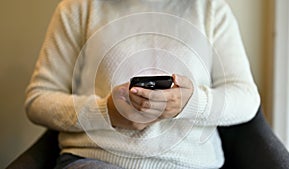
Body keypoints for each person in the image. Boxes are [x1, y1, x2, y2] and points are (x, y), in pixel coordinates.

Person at [25, 0, 260, 168]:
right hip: (97, 159)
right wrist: (106, 112)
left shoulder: (211, 9)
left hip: (191, 163)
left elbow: (246, 98)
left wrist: (190, 103)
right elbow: (38, 100)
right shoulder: (78, 8)